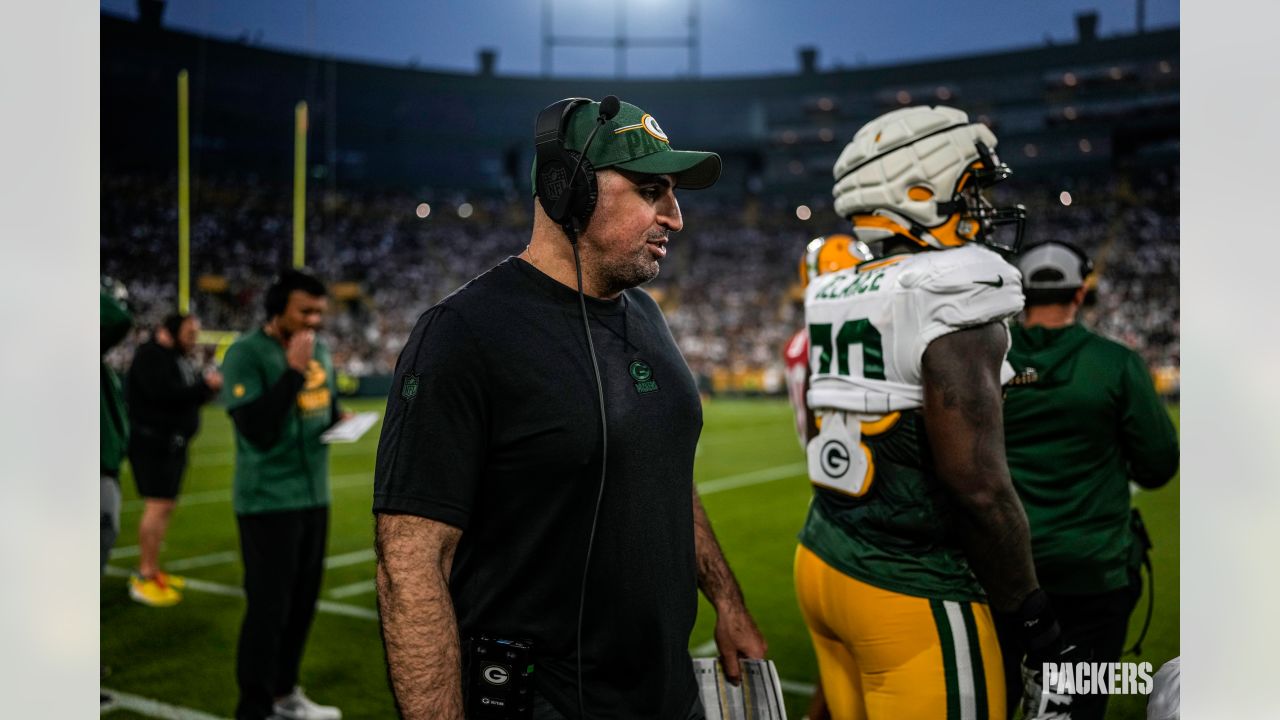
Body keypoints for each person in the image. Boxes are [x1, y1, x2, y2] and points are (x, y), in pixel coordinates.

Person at [373, 96, 767, 720]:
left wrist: (729, 601)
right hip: (545, 703)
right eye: (651, 190)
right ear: (569, 190)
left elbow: (665, 475)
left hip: (669, 695)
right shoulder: (462, 333)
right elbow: (411, 565)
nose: (676, 217)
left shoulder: (646, 313)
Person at [794, 105, 1067, 720]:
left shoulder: (836, 287)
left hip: (824, 556)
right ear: (919, 193)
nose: (983, 208)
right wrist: (1034, 618)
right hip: (909, 585)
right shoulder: (950, 283)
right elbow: (978, 488)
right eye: (972, 189)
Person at [997, 241, 1179, 719]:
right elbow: (1158, 465)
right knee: (1077, 707)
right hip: (1092, 573)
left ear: (1022, 294)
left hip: (998, 571)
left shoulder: (983, 361)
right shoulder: (1116, 363)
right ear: (1079, 295)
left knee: (992, 700)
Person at [220, 269, 345, 720]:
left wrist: (339, 419)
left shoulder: (322, 350)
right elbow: (254, 426)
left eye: (319, 312)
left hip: (315, 495)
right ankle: (253, 708)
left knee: (302, 605)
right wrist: (292, 371)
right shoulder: (244, 353)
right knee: (269, 610)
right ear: (278, 309)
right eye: (304, 311)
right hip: (268, 500)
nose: (314, 320)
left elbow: (324, 409)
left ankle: (284, 693)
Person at [783, 234, 871, 720]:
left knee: (836, 664)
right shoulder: (843, 338)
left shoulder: (799, 343)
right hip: (866, 514)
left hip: (825, 510)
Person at [125, 312, 223, 607]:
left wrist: (204, 390)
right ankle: (144, 575)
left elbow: (185, 396)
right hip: (153, 445)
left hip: (170, 445)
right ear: (171, 331)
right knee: (157, 505)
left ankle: (153, 570)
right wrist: (206, 387)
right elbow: (165, 396)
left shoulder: (174, 356)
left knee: (164, 505)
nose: (194, 339)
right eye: (190, 333)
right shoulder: (151, 356)